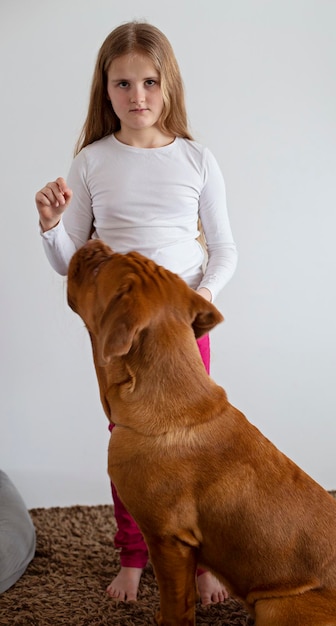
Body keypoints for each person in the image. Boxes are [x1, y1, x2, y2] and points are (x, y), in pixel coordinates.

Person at [35, 21, 237, 605]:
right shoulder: (92, 163)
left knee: (192, 442)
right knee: (130, 444)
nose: (138, 96)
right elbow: (74, 265)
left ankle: (202, 559)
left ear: (168, 84)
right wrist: (51, 228)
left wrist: (195, 309)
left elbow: (223, 249)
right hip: (118, 333)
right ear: (105, 91)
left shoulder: (198, 160)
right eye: (123, 84)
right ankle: (133, 554)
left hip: (180, 331)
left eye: (149, 81)